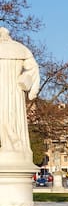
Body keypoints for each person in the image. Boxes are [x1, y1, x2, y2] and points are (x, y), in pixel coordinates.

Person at [0, 27, 41, 162]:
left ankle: (11, 145)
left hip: (11, 88)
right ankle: (13, 144)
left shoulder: (20, 49)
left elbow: (33, 68)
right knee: (12, 116)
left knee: (5, 117)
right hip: (15, 90)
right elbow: (34, 68)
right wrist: (33, 89)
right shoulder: (20, 49)